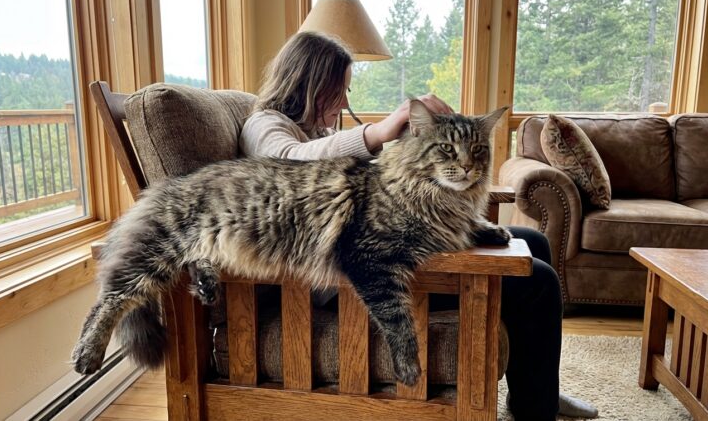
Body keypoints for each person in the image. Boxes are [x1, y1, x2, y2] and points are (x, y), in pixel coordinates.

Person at [240, 31, 598, 421]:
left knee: (533, 242)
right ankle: (537, 410)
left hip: (385, 245)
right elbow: (288, 163)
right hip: (346, 278)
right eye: (337, 91)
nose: (345, 102)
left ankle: (537, 391)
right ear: (307, 83)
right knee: (538, 281)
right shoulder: (264, 124)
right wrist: (379, 131)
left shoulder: (319, 131)